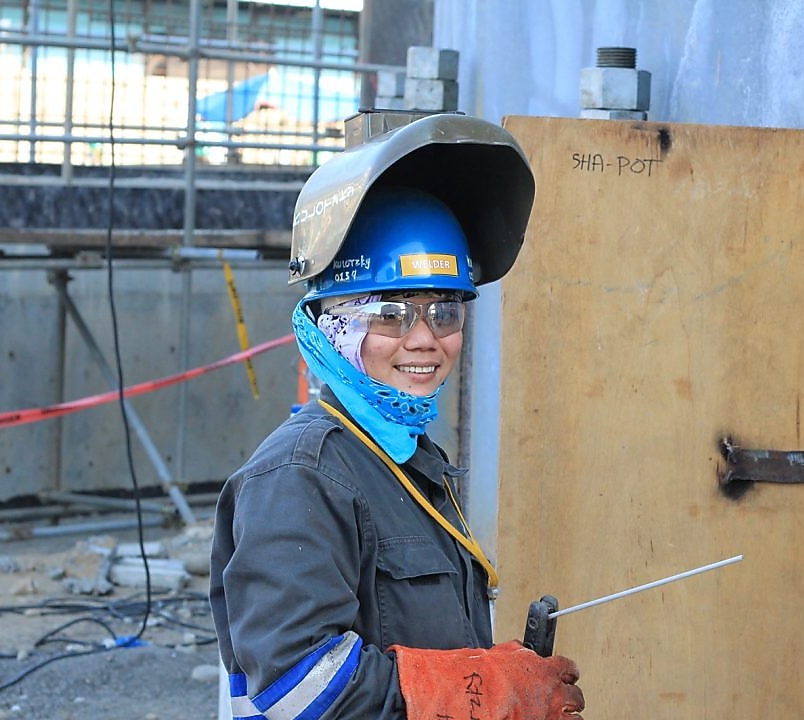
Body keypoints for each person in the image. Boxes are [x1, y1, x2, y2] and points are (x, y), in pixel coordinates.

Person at [209, 113, 585, 720]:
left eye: (445, 311)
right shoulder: (302, 475)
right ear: (332, 323)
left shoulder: (405, 462)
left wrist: (490, 677)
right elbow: (297, 688)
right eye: (388, 312)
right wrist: (485, 692)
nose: (425, 339)